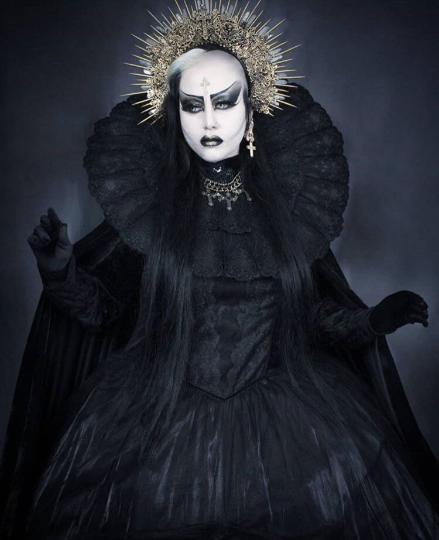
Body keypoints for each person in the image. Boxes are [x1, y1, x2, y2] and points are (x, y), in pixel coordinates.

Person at [1, 2, 439, 539]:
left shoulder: (286, 208)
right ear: (175, 114)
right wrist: (60, 271)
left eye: (225, 102)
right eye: (193, 105)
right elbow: (103, 311)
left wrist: (372, 321)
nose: (209, 120)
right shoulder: (153, 209)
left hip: (288, 416)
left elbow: (310, 318)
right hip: (154, 412)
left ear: (252, 110)